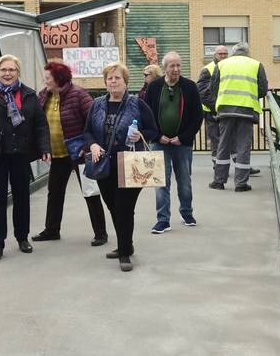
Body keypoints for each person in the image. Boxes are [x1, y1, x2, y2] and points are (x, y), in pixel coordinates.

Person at [0, 54, 51, 262]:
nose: (7, 73)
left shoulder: (29, 95)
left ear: (17, 72)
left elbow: (40, 125)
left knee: (22, 197)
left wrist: (44, 147)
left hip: (21, 154)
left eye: (11, 70)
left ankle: (22, 238)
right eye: (3, 70)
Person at [84, 62, 159, 271]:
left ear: (125, 82)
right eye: (110, 78)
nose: (113, 81)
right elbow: (87, 131)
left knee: (124, 208)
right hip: (105, 165)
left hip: (130, 164)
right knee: (113, 207)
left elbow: (153, 130)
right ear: (105, 82)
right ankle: (126, 244)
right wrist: (93, 144)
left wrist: (140, 134)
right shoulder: (97, 104)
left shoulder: (137, 104)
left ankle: (124, 252)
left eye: (118, 78)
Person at [32, 60, 109, 246]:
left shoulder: (79, 95)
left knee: (90, 192)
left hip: (80, 154)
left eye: (48, 77)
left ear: (58, 78)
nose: (45, 81)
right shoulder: (44, 95)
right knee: (55, 192)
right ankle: (52, 230)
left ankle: (101, 233)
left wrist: (88, 146)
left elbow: (95, 122)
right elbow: (39, 123)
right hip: (58, 154)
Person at [142, 51, 203, 232]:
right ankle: (163, 219)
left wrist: (183, 137)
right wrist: (156, 135)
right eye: (172, 66)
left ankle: (187, 213)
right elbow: (146, 115)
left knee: (184, 181)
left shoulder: (190, 87)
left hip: (182, 145)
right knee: (161, 183)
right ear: (164, 68)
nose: (176, 69)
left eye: (178, 65)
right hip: (159, 143)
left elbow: (197, 116)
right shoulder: (154, 87)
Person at [205, 41, 268, 192]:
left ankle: (219, 181)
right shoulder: (256, 65)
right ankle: (240, 184)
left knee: (223, 145)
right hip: (246, 110)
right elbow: (263, 89)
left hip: (225, 110)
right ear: (247, 52)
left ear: (233, 52)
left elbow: (213, 88)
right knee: (243, 146)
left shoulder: (222, 65)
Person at [196, 44, 229, 160]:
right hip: (212, 112)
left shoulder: (229, 67)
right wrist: (216, 107)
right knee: (216, 140)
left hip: (227, 110)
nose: (223, 56)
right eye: (221, 54)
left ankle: (241, 165)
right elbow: (203, 92)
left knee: (231, 139)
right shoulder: (208, 69)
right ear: (215, 55)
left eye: (225, 54)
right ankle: (217, 165)